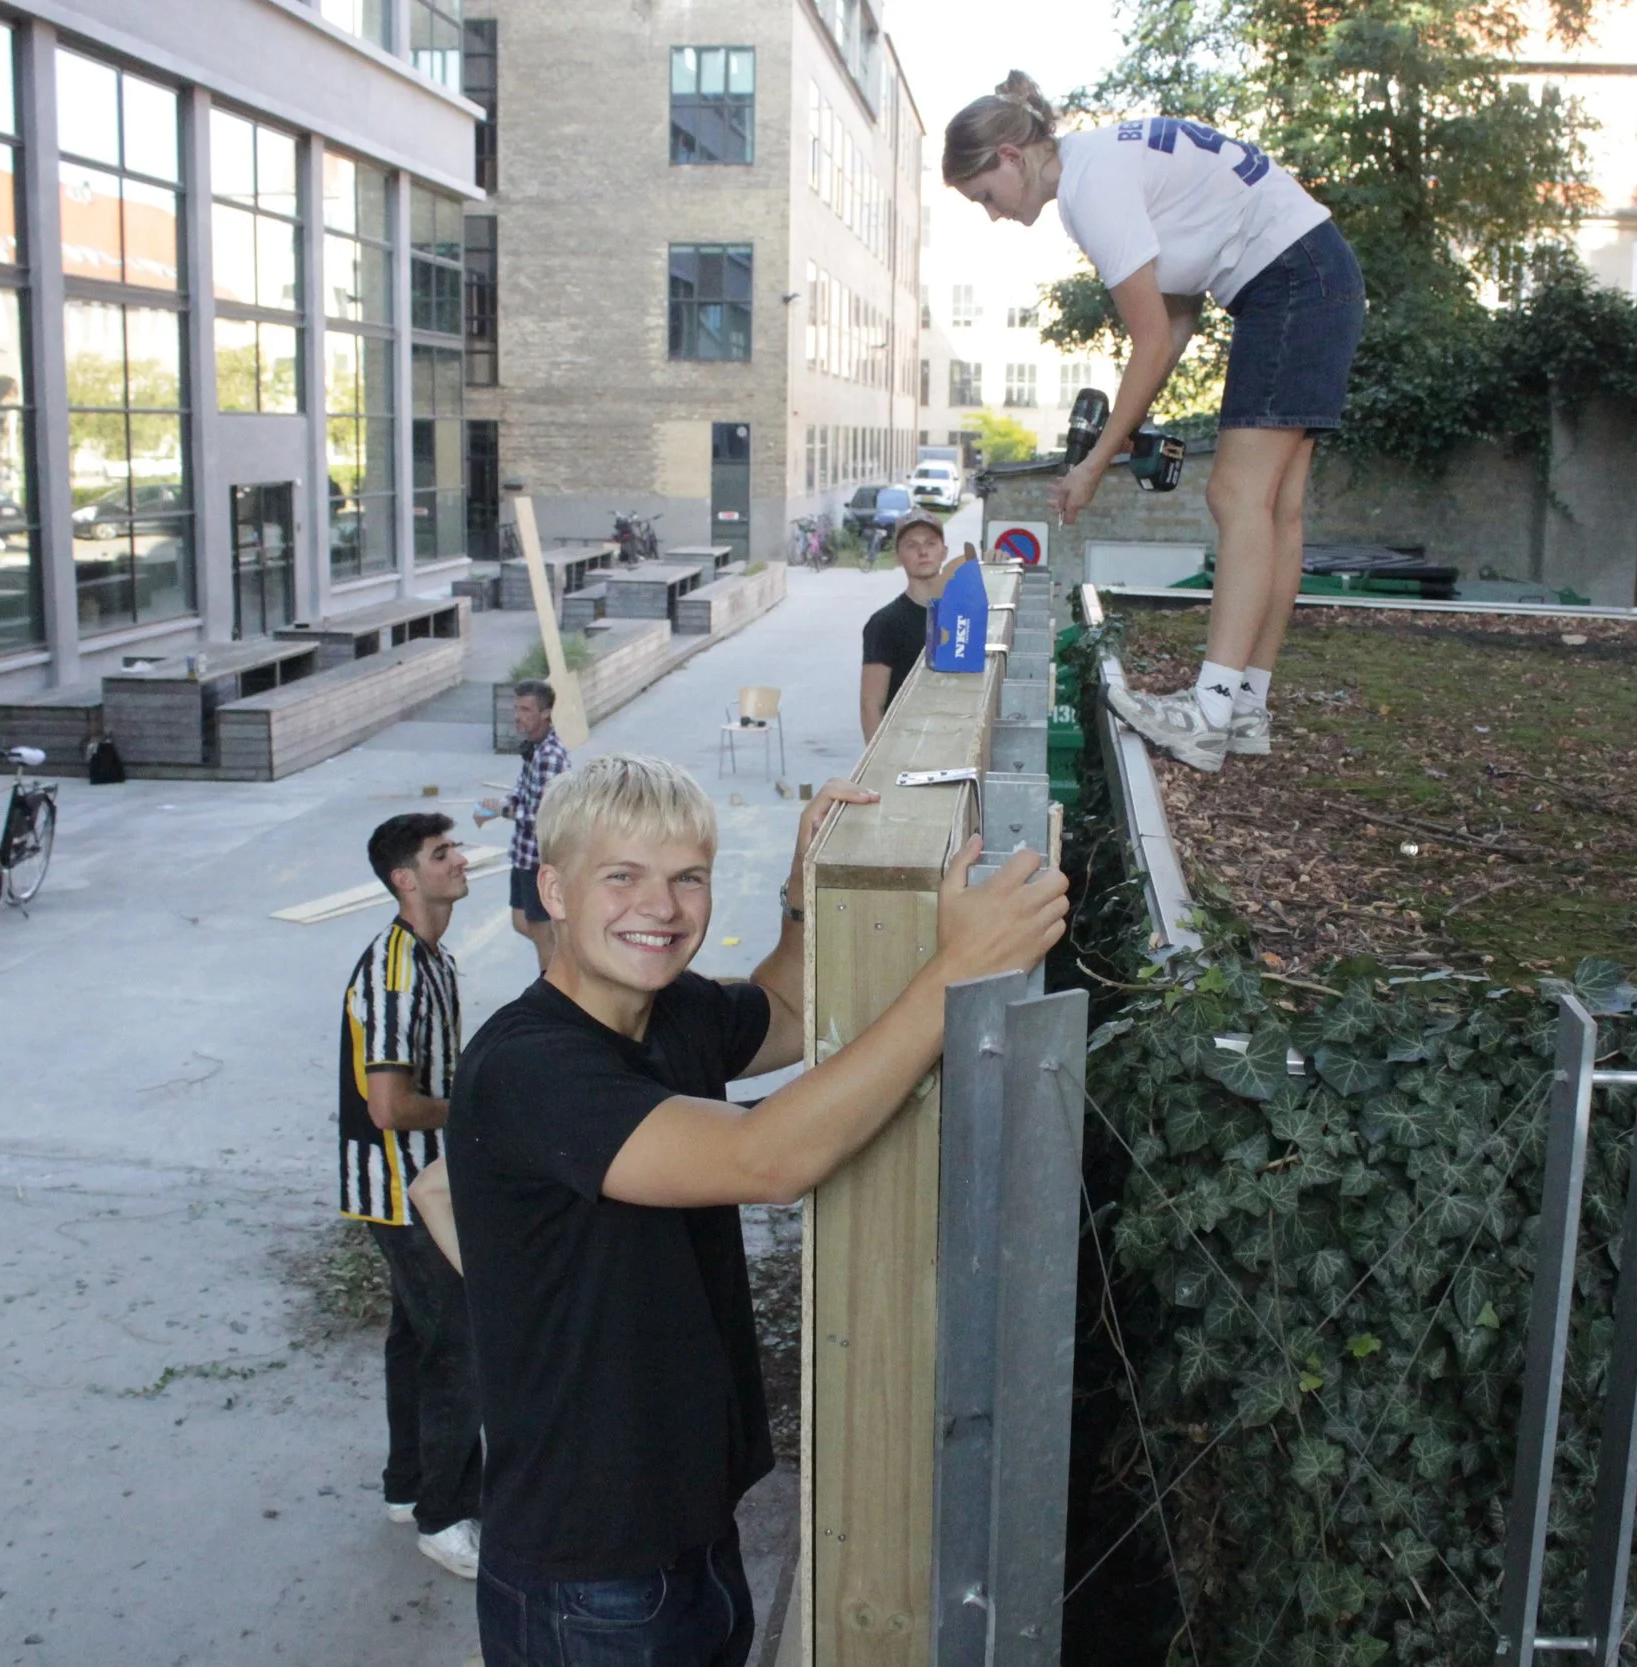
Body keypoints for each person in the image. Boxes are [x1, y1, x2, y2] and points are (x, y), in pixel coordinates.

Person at [426, 754, 1068, 1667]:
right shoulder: (530, 1068)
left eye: (688, 877)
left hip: (690, 1533)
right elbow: (768, 1158)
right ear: (554, 889)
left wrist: (801, 893)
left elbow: (790, 1006)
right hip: (590, 1575)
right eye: (623, 876)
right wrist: (962, 971)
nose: (662, 906)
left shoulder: (668, 1012)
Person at [945, 71, 1366, 774]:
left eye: (986, 195)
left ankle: (1207, 713)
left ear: (1012, 157)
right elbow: (1173, 330)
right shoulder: (1104, 161)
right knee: (1275, 508)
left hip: (1290, 282)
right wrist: (1101, 460)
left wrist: (1090, 467)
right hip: (1318, 272)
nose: (992, 214)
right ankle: (1245, 709)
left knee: (1235, 497)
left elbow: (1149, 340)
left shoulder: (1088, 189)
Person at [337, 813, 482, 1580]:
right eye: (441, 854)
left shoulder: (432, 958)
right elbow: (390, 1106)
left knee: (415, 1336)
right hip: (401, 1192)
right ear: (405, 879)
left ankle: (407, 1486)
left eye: (454, 847)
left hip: (410, 1186)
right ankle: (446, 1515)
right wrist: (474, 1110)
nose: (460, 860)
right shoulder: (396, 972)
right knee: (460, 1339)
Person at [475, 679, 571, 970]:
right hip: (523, 854)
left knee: (542, 933)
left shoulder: (549, 756)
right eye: (516, 708)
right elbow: (523, 793)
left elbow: (545, 816)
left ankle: (554, 989)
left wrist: (500, 812)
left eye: (526, 709)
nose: (518, 715)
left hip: (537, 858)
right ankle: (566, 955)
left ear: (545, 713)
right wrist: (499, 805)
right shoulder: (533, 747)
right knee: (521, 921)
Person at [859, 509, 956, 741]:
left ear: (944, 553)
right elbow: (871, 706)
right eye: (911, 545)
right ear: (897, 557)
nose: (923, 552)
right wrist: (878, 767)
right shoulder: (884, 623)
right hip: (905, 747)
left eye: (931, 543)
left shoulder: (964, 615)